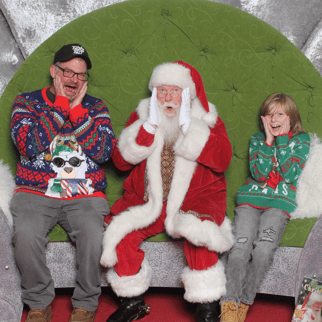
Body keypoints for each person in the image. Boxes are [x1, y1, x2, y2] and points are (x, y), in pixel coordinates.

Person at [100, 61, 234, 322]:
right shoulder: (143, 116)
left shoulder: (207, 119)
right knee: (121, 234)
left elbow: (222, 159)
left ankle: (207, 304)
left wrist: (188, 127)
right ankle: (132, 302)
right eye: (162, 90)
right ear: (154, 93)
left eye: (175, 90)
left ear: (188, 93)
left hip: (195, 199)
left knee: (199, 232)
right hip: (149, 200)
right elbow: (120, 161)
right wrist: (147, 128)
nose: (168, 97)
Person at [10, 44, 116, 322]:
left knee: (94, 236)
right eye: (68, 71)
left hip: (85, 194)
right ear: (53, 71)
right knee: (25, 235)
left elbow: (104, 152)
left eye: (80, 75)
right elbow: (29, 145)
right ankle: (38, 303)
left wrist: (78, 112)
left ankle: (85, 305)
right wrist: (60, 106)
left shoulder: (96, 107)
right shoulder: (26, 103)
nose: (73, 80)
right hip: (36, 191)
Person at [220, 93, 311, 322]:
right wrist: (269, 141)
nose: (274, 118)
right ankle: (229, 306)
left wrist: (281, 141)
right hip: (250, 201)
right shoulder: (258, 139)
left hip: (279, 206)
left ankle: (244, 301)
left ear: (291, 117)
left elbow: (290, 175)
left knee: (263, 250)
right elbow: (259, 174)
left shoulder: (301, 141)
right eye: (270, 114)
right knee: (240, 249)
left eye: (280, 113)